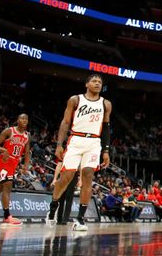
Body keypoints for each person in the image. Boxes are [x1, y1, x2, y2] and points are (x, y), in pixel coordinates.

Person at [46, 73, 112, 231]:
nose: (97, 83)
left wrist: (106, 150)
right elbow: (65, 122)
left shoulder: (106, 104)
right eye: (94, 81)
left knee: (88, 174)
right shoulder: (75, 99)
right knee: (66, 177)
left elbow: (107, 128)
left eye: (100, 82)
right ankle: (53, 205)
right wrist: (59, 144)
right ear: (87, 84)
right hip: (75, 140)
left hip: (94, 142)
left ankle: (80, 219)